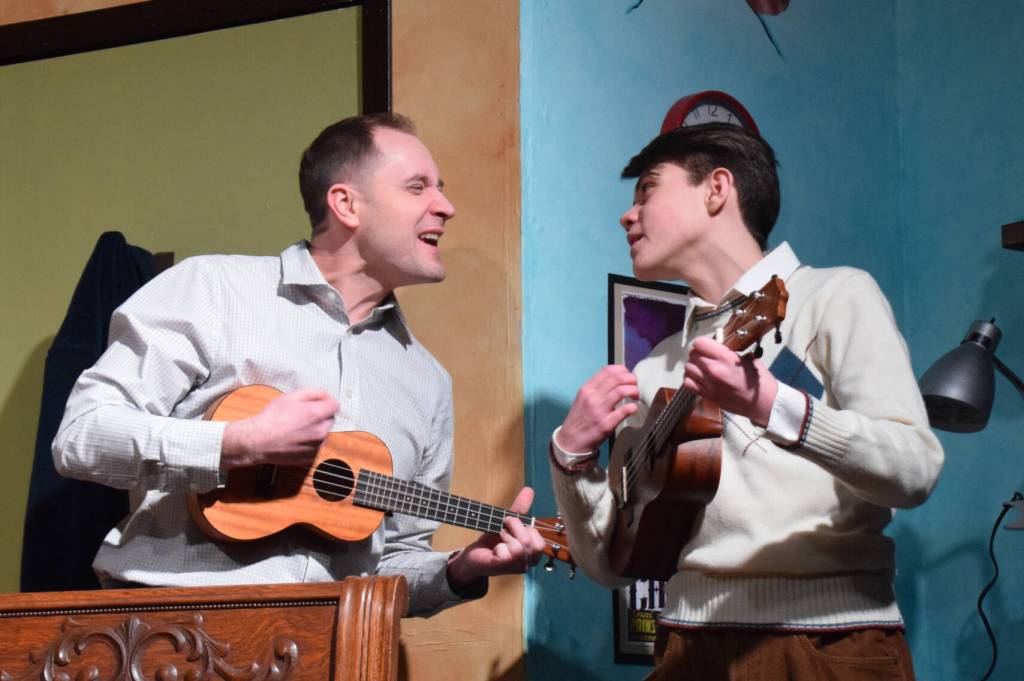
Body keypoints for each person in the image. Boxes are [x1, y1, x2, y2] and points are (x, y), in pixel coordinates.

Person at [52, 112, 546, 616]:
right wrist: (236, 443)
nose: (446, 207)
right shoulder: (213, 290)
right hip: (172, 631)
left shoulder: (427, 382)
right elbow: (82, 438)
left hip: (329, 646)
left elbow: (395, 561)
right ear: (346, 203)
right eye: (418, 187)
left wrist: (460, 570)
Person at [549, 122, 943, 679]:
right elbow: (611, 567)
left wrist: (771, 404)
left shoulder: (835, 296)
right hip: (683, 646)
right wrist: (570, 456)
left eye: (647, 191)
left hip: (828, 645)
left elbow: (914, 469)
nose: (627, 215)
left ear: (717, 189)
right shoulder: (655, 367)